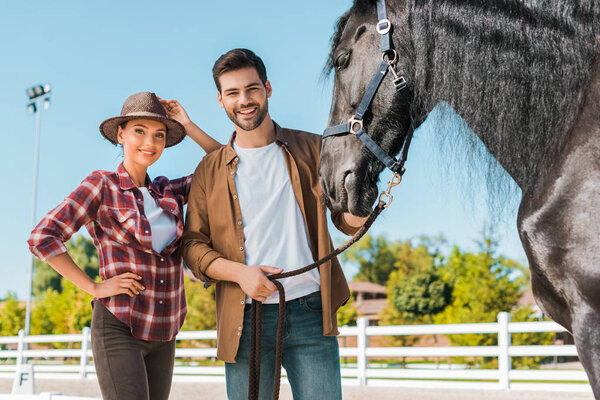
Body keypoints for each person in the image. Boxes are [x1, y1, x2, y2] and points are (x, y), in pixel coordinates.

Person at [182, 48, 368, 400]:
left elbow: (344, 220)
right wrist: (241, 274)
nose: (245, 100)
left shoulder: (314, 148)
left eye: (252, 89)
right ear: (220, 101)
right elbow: (192, 246)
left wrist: (362, 207)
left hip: (312, 311)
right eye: (233, 93)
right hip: (244, 318)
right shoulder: (208, 170)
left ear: (268, 88)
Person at [27, 91, 220, 400]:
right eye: (139, 131)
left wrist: (188, 124)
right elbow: (43, 237)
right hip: (119, 324)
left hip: (165, 329)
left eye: (159, 135)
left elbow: (225, 167)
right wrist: (94, 287)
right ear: (121, 134)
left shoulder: (168, 190)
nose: (150, 142)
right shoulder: (102, 185)